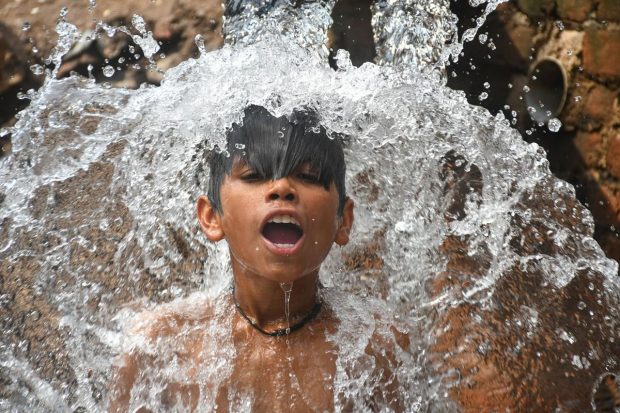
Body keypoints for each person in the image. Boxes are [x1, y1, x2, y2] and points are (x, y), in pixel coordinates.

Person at [108, 105, 410, 412]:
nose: (282, 188)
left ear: (342, 221)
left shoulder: (374, 345)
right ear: (211, 217)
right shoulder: (160, 345)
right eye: (254, 175)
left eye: (307, 176)